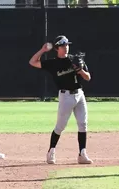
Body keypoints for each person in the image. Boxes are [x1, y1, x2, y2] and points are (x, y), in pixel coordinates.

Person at [29, 35, 93, 164]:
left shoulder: (75, 59)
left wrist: (80, 70)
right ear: (57, 48)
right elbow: (32, 62)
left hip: (79, 94)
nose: (66, 47)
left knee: (83, 124)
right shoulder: (52, 63)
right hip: (65, 96)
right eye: (63, 45)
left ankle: (82, 153)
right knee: (60, 126)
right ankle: (51, 151)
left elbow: (88, 77)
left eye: (67, 45)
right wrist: (42, 51)